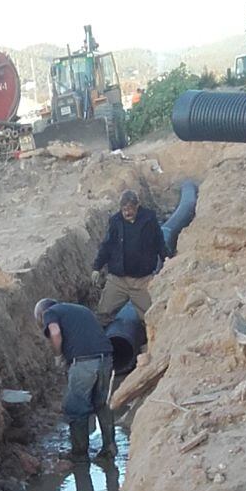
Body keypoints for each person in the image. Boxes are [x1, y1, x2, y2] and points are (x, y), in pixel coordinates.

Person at [34, 298, 116, 459]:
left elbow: (55, 332)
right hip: (106, 359)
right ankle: (110, 447)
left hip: (84, 363)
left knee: (76, 407)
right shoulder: (79, 310)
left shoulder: (50, 313)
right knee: (101, 404)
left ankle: (79, 454)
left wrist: (58, 355)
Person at [94, 189, 164, 319]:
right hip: (118, 280)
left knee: (152, 318)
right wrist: (97, 267)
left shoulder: (149, 219)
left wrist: (167, 259)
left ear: (138, 205)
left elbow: (159, 241)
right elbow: (107, 245)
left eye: (130, 208)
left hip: (142, 280)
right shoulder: (115, 221)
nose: (127, 212)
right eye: (124, 209)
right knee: (102, 315)